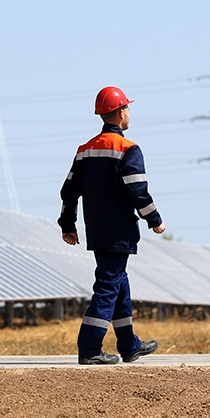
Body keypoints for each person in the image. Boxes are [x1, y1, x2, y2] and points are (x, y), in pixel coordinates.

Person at [58, 86, 166, 365]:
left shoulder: (85, 150)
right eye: (127, 108)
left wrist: (68, 224)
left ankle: (129, 345)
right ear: (120, 113)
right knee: (107, 286)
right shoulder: (128, 149)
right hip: (119, 231)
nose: (129, 113)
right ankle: (90, 347)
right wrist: (154, 219)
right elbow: (137, 191)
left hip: (97, 230)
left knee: (119, 284)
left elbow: (69, 191)